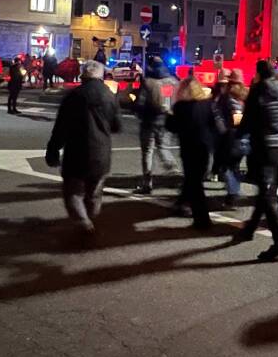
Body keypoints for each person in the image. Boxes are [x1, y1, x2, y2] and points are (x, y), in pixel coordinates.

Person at [45, 60, 122, 234]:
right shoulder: (109, 95)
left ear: (83, 75)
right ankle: (90, 219)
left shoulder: (74, 96)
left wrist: (53, 149)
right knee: (94, 192)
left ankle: (83, 224)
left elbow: (61, 127)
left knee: (73, 192)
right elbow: (117, 126)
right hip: (101, 153)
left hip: (76, 152)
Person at [233, 60, 278, 261]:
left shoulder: (258, 90)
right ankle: (249, 229)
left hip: (263, 145)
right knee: (265, 189)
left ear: (258, 74)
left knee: (266, 195)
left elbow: (248, 118)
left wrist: (237, 136)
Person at [167, 77, 221, 229]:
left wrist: (169, 115)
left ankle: (202, 219)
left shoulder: (181, 107)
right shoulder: (208, 104)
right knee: (195, 179)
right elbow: (216, 125)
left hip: (189, 147)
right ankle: (182, 203)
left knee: (194, 182)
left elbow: (172, 127)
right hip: (205, 146)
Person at [134, 57, 179, 193]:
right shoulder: (173, 82)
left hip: (149, 121)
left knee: (147, 151)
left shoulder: (148, 83)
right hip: (167, 120)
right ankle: (174, 171)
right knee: (164, 147)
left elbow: (140, 103)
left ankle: (147, 182)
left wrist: (138, 112)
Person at [213, 69, 247, 209]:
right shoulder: (245, 94)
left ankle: (232, 195)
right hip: (243, 136)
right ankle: (232, 193)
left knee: (227, 167)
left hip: (230, 136)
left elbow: (230, 116)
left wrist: (224, 129)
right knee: (235, 166)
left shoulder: (227, 96)